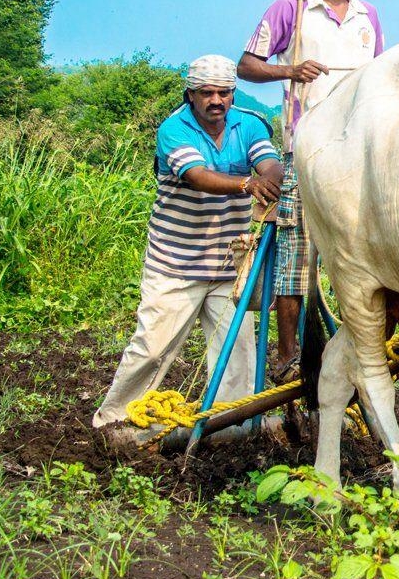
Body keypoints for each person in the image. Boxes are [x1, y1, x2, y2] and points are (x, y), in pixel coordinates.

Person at [92, 55, 284, 448]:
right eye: (207, 93)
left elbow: (270, 163)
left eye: (224, 92)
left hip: (229, 262)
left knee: (238, 350)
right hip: (175, 261)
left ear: (233, 94)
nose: (217, 100)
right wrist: (247, 185)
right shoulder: (174, 129)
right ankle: (114, 424)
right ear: (191, 94)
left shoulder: (249, 124)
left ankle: (230, 427)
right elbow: (197, 177)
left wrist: (268, 178)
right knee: (153, 346)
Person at [237, 0, 383, 368]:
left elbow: (379, 80)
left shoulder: (368, 16)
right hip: (307, 150)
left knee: (372, 249)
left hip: (358, 151)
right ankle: (287, 354)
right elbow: (246, 65)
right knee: (295, 255)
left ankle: (367, 344)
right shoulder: (291, 8)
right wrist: (290, 70)